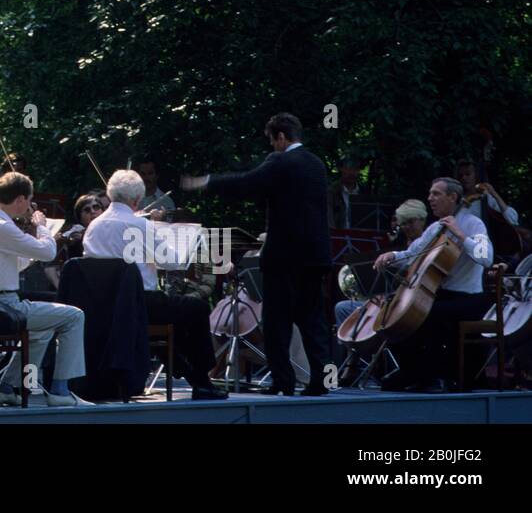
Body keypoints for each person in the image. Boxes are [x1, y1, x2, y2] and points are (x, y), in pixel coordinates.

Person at [181, 112, 333, 396]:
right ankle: (320, 382)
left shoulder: (281, 160)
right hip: (315, 256)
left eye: (273, 141)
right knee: (313, 320)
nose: (272, 147)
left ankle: (283, 382)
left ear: (281, 137)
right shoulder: (316, 164)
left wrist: (208, 182)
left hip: (285, 256)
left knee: (277, 321)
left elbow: (247, 182)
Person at [83, 170, 226, 400]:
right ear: (137, 200)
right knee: (195, 308)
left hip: (103, 307)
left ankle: (189, 374)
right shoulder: (140, 226)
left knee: (174, 312)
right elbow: (172, 263)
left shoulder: (94, 227)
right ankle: (201, 377)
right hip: (140, 303)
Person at [0, 171, 88, 407]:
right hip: (2, 306)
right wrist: (42, 228)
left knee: (42, 331)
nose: (28, 208)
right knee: (75, 316)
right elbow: (47, 252)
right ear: (21, 199)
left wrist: (32, 247)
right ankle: (60, 391)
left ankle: (7, 388)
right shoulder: (1, 225)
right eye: (29, 201)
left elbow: (16, 264)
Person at [373, 179, 493, 392]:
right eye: (430, 194)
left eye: (436, 194)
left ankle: (433, 376)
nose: (430, 198)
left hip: (469, 298)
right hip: (441, 293)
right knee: (393, 317)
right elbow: (412, 255)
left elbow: (486, 258)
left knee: (428, 315)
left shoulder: (474, 223)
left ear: (453, 197)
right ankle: (413, 370)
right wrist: (392, 255)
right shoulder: (435, 228)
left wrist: (460, 234)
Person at [334, 199, 428, 359]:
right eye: (403, 223)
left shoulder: (425, 243)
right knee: (342, 307)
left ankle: (360, 363)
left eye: (411, 222)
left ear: (422, 220)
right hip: (385, 301)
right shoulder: (398, 242)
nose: (406, 227)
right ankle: (354, 361)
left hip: (402, 305)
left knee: (358, 316)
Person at [328, 157, 363, 228]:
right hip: (339, 236)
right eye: (348, 169)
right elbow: (328, 218)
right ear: (341, 169)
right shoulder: (332, 191)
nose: (351, 173)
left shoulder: (363, 192)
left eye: (355, 169)